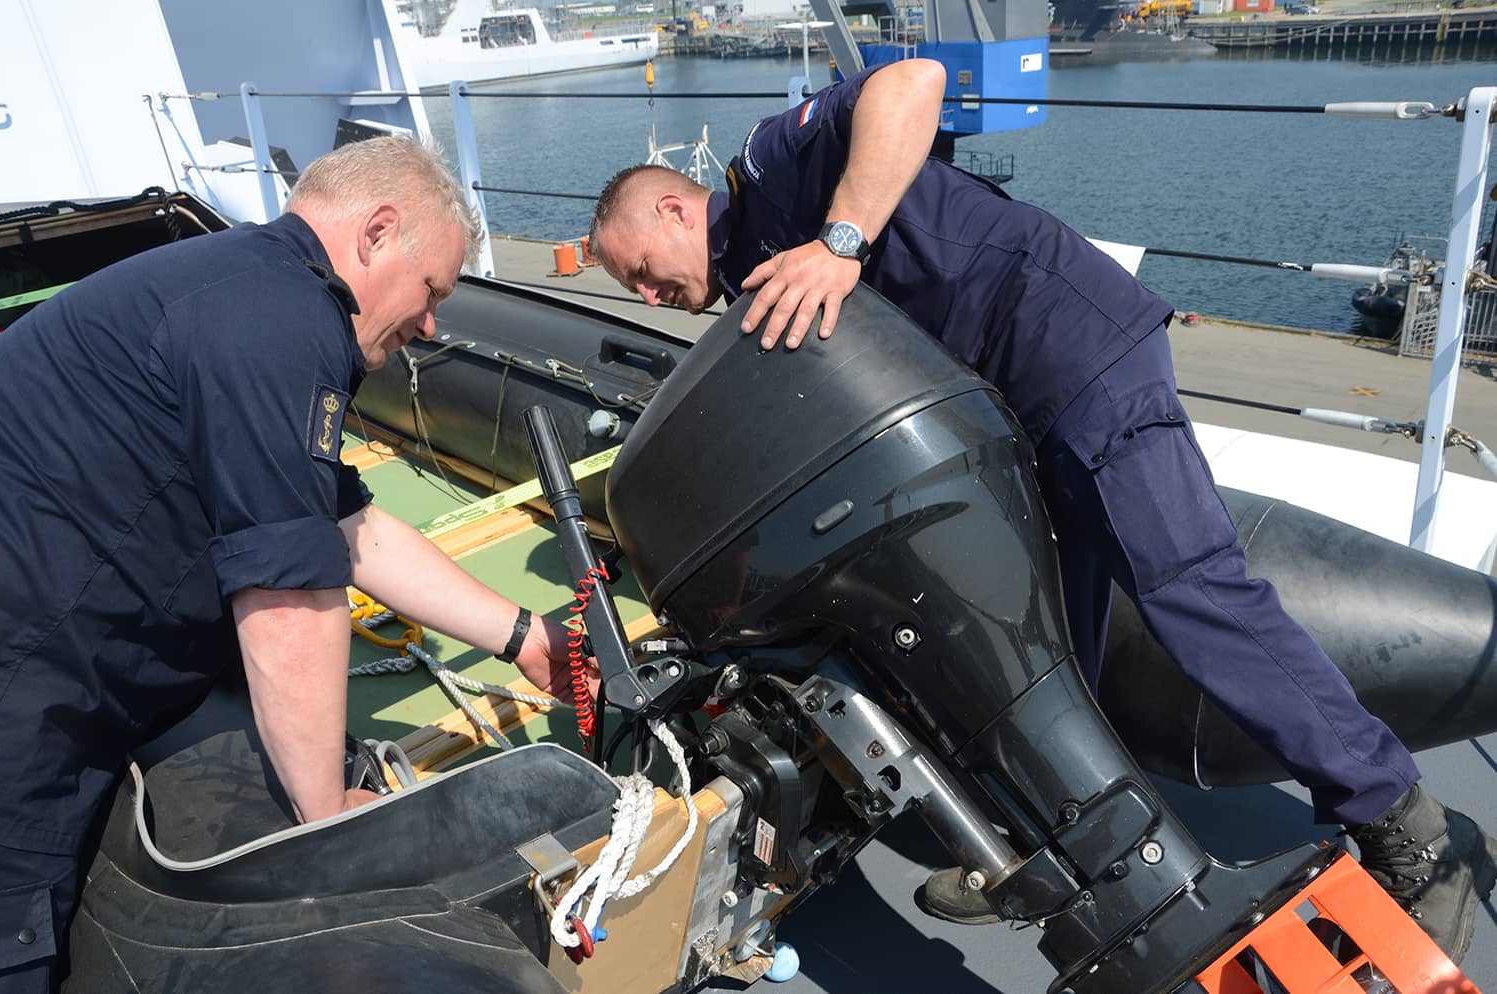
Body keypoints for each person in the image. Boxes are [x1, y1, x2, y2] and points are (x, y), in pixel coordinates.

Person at [586, 59, 1497, 961]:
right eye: (635, 293)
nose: (647, 296)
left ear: (674, 210)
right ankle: (1070, 855)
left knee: (1193, 589)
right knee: (1053, 647)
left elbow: (910, 82)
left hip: (1068, 354)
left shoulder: (771, 172)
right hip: (999, 422)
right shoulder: (754, 277)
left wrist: (841, 243)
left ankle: (1407, 829)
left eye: (641, 271)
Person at [0, 137, 585, 994]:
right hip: (26, 689)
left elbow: (350, 530)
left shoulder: (241, 284)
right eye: (432, 293)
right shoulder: (280, 317)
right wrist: (327, 822)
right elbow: (286, 602)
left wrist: (524, 635)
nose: (432, 326)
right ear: (378, 231)